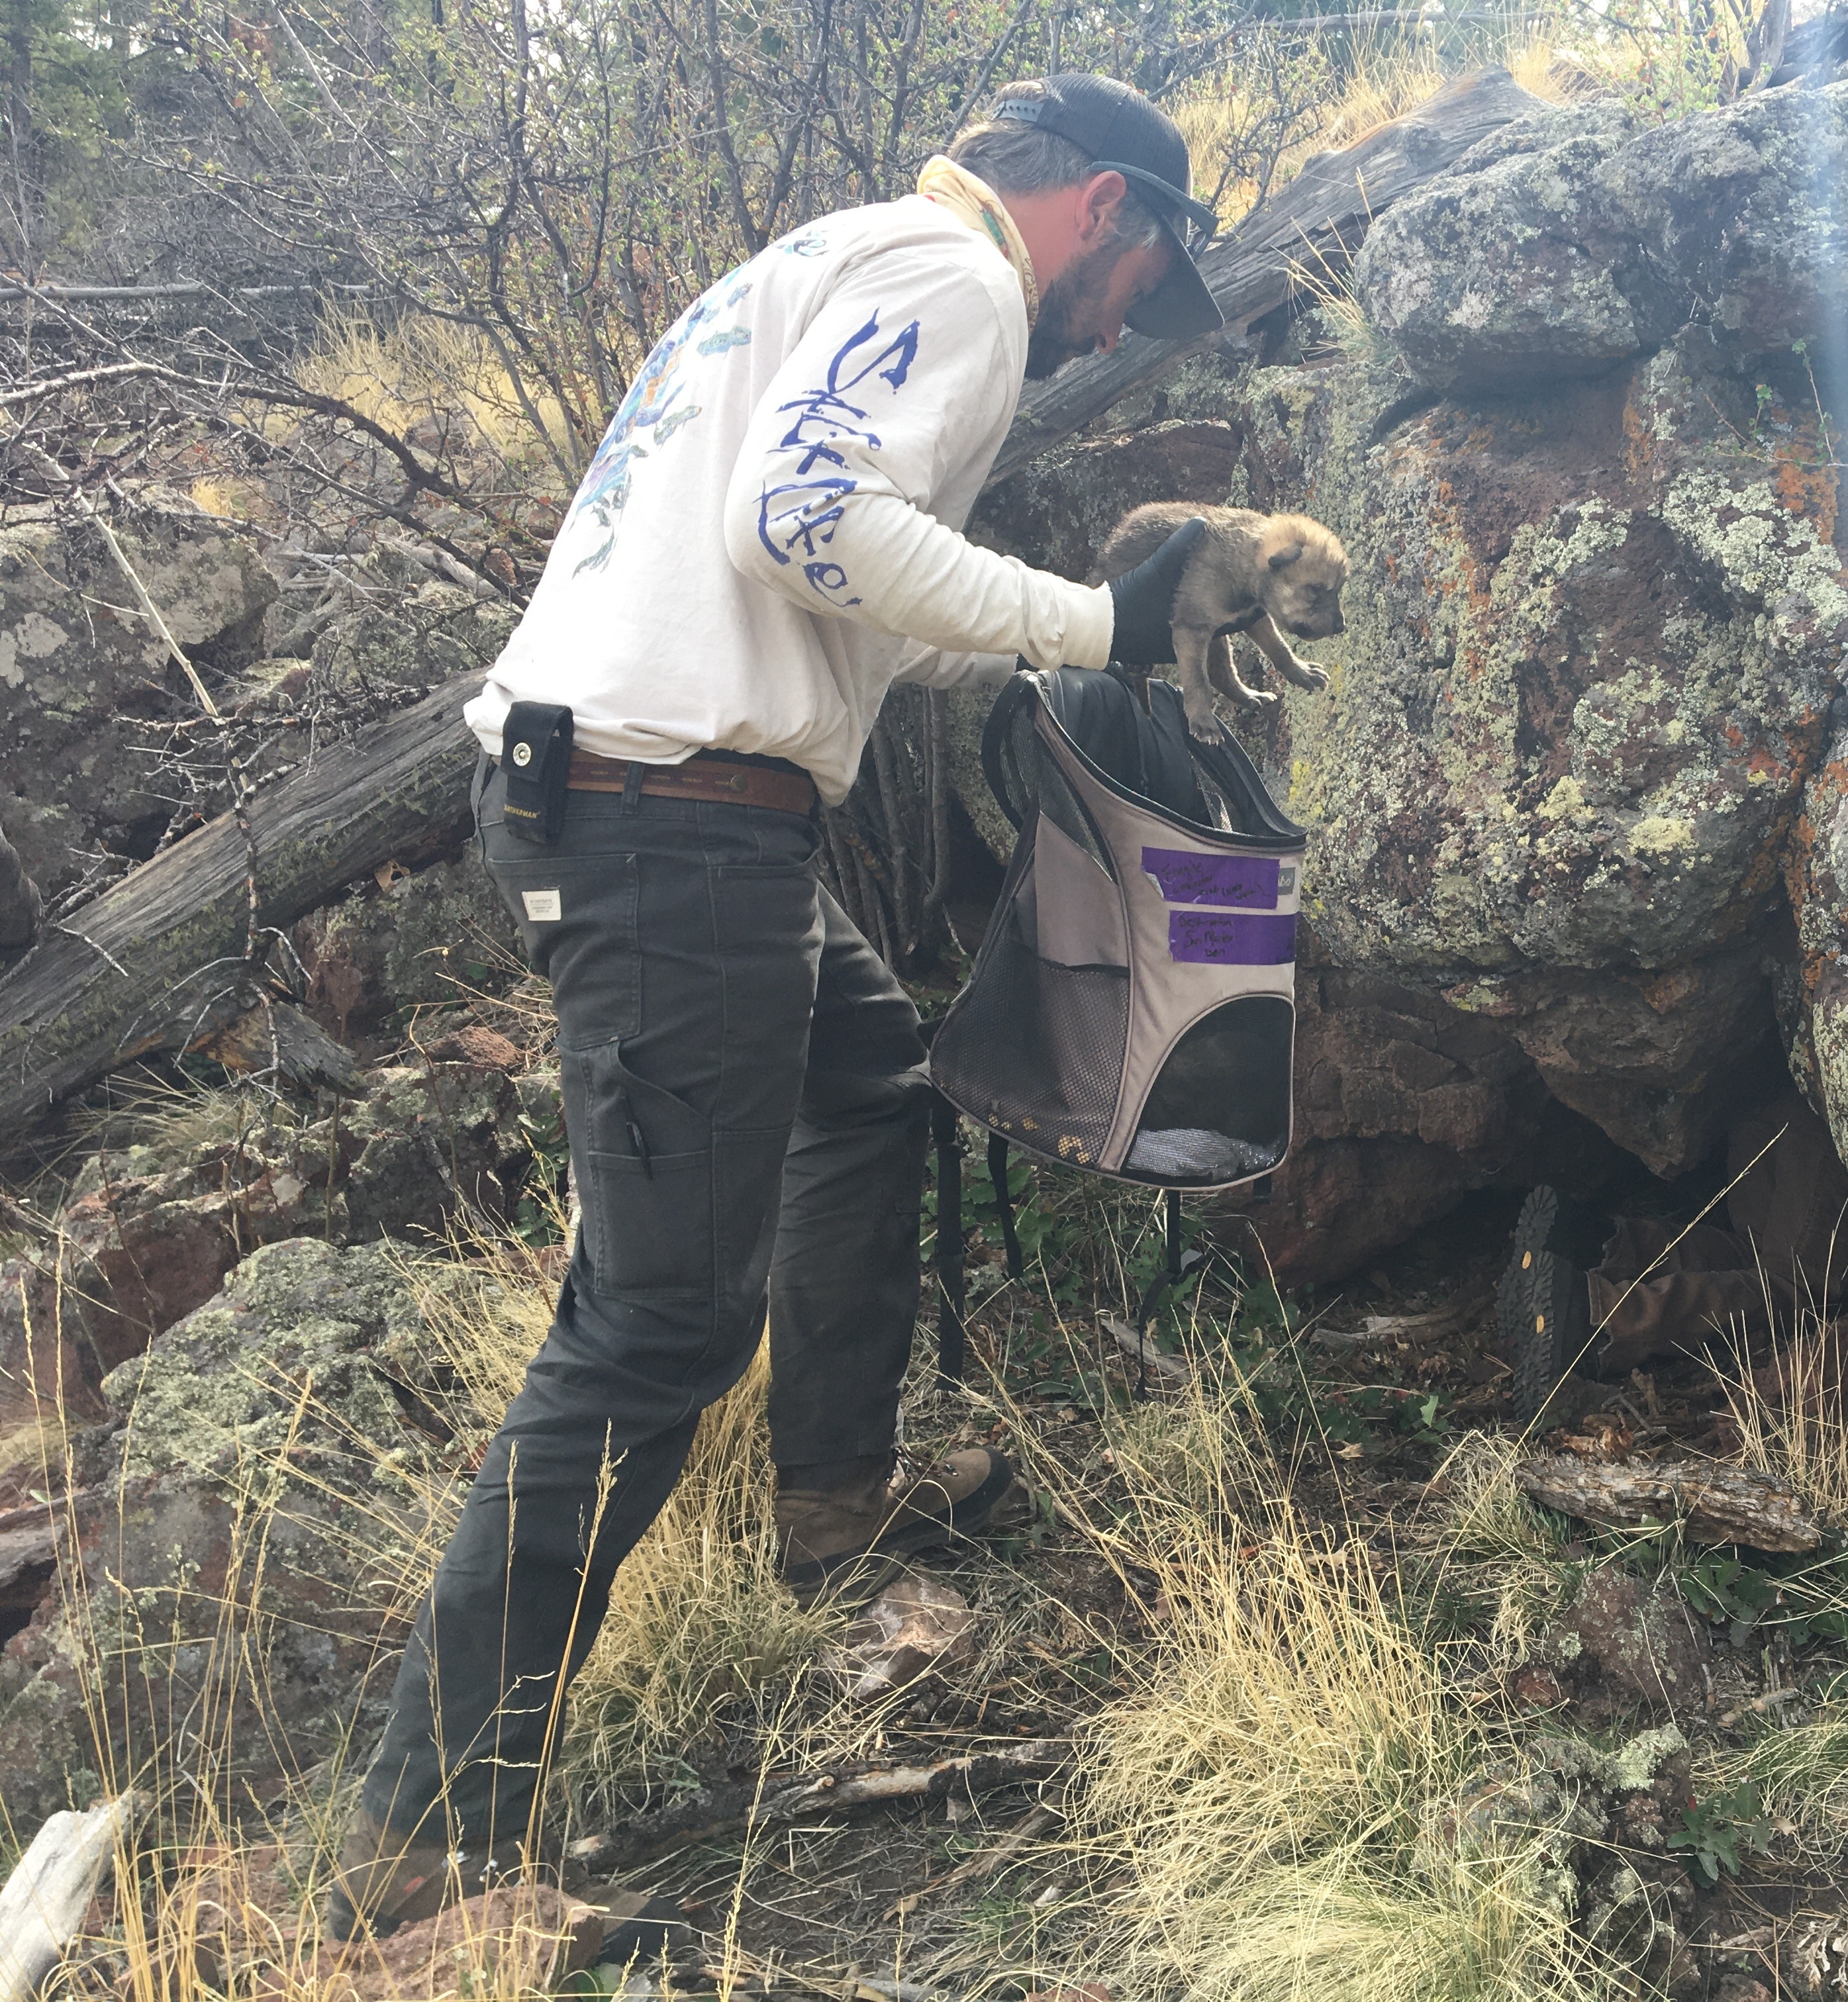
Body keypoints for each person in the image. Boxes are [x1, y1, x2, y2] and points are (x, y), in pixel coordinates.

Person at [332, 73, 1225, 1938]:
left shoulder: (820, 258)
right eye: (1149, 276)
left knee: (867, 1082)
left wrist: (1054, 630)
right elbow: (804, 520)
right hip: (676, 823)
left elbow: (834, 590)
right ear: (1105, 215)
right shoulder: (964, 280)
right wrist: (1101, 628)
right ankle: (418, 1847)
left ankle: (831, 1491)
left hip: (671, 803)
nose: (1132, 320)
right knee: (657, 1329)